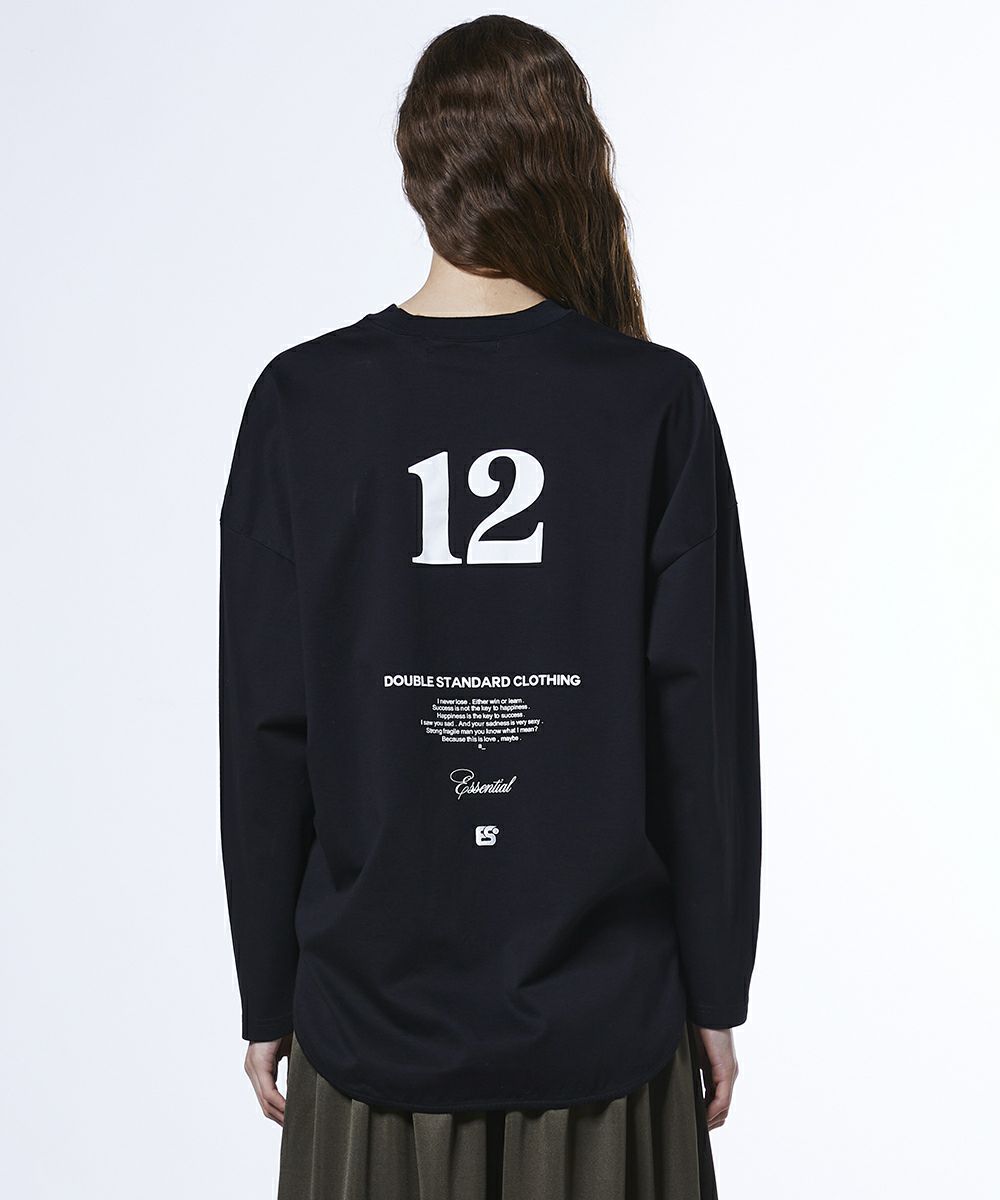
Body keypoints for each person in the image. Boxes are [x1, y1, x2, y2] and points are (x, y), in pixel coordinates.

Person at [218, 15, 761, 1200]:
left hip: (369, 1033)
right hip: (608, 1037)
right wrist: (716, 989)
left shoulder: (302, 403)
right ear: (573, 164)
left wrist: (267, 993)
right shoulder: (652, 401)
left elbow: (265, 729)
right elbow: (699, 725)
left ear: (417, 171)